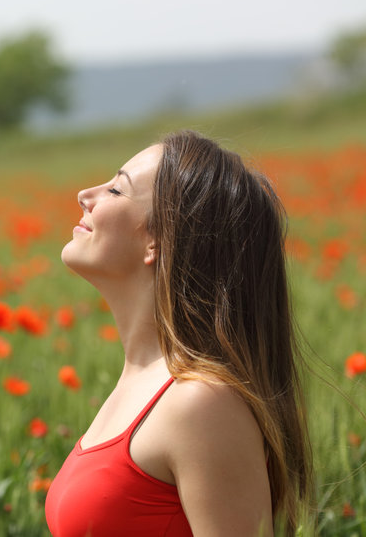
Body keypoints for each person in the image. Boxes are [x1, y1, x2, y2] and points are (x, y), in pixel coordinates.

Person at [44, 131, 312, 537]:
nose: (85, 194)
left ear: (158, 238)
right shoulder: (140, 384)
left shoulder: (200, 404)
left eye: (116, 189)